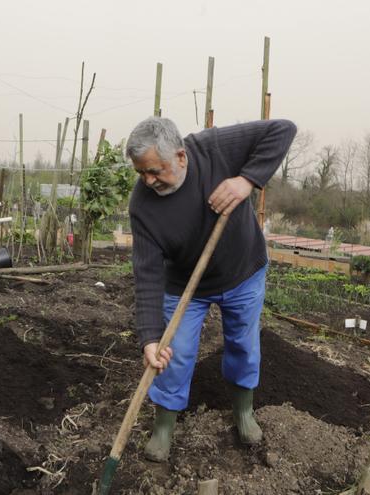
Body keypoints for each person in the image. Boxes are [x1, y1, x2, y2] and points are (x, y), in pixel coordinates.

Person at [126, 116, 296, 462]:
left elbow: (283, 129)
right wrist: (149, 338)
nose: (149, 180)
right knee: (175, 353)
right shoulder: (142, 205)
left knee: (243, 345)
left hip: (242, 271)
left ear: (181, 156)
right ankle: (163, 427)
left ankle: (243, 412)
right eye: (141, 173)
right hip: (185, 285)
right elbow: (146, 273)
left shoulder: (212, 149)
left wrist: (247, 180)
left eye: (156, 171)